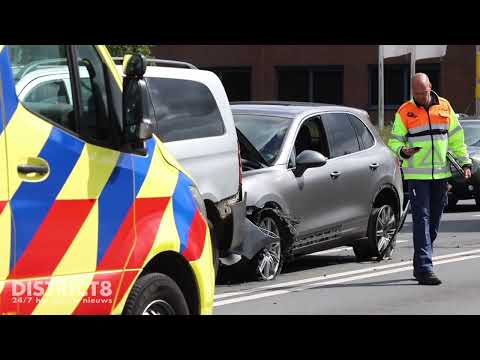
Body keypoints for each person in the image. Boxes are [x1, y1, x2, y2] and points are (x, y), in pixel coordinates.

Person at [388, 73, 472, 285]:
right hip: (417, 176)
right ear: (412, 92)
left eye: (423, 93)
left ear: (430, 88)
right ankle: (425, 268)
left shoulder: (444, 107)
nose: (420, 97)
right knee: (421, 220)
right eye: (416, 94)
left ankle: (420, 262)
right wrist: (402, 151)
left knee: (433, 222)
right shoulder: (405, 111)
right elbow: (394, 142)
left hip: (441, 175)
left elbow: (456, 138)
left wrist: (465, 163)